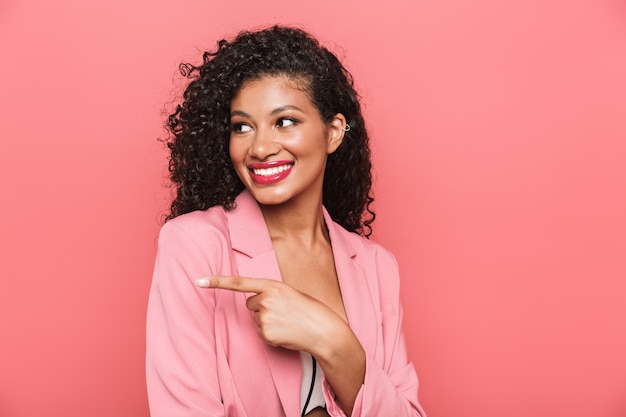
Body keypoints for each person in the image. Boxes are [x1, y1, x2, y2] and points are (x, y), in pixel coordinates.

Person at [146, 25, 425, 417]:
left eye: (285, 121)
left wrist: (333, 341)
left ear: (333, 132)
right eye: (242, 126)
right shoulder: (193, 246)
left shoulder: (377, 266)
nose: (259, 147)